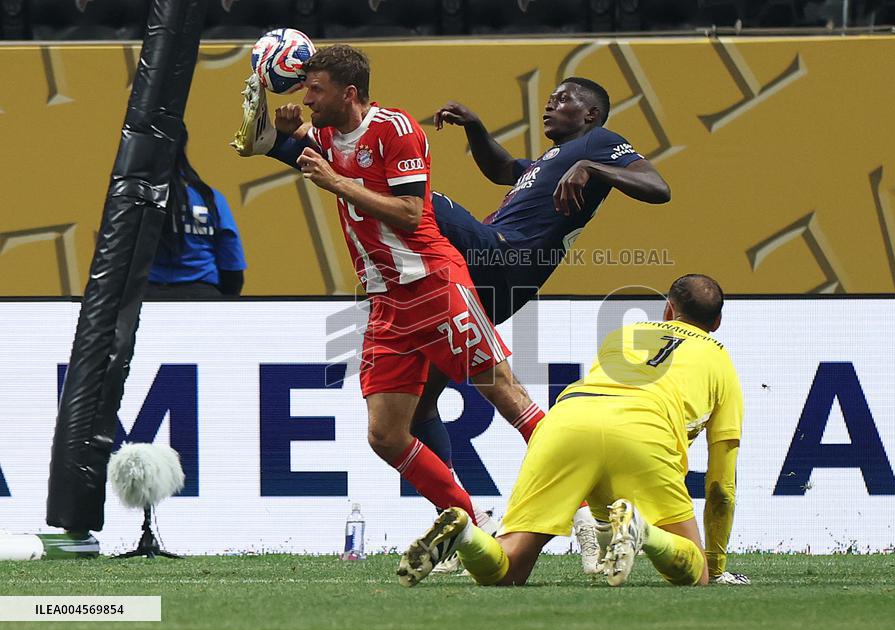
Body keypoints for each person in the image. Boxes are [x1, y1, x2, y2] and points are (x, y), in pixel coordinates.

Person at [232, 44, 546, 523]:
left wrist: (334, 182)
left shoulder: (395, 129)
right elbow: (282, 145)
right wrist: (273, 133)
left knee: (503, 392)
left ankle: (589, 515)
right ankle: (469, 523)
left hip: (434, 282)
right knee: (385, 434)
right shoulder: (326, 134)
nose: (308, 98)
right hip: (388, 302)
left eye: (316, 90)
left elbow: (409, 212)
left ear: (349, 92)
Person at [414, 78, 673, 571]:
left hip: (507, 260)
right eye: (551, 97)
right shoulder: (542, 166)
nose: (551, 104)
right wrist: (476, 130)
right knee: (421, 402)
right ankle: (469, 522)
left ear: (592, 115)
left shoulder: (598, 143)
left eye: (564, 98)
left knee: (427, 202)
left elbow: (659, 188)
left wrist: (592, 165)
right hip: (494, 281)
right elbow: (501, 170)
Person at [396, 274, 744, 588]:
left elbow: (599, 449)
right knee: (694, 573)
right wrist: (714, 565)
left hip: (564, 421)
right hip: (644, 431)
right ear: (717, 321)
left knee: (508, 569)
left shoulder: (625, 335)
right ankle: (645, 533)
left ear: (668, 310)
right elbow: (721, 486)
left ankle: (466, 535)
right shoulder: (721, 362)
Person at [147, 142, 246, 299]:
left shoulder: (137, 202)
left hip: (147, 301)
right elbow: (232, 271)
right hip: (203, 300)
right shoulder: (210, 199)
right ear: (183, 148)